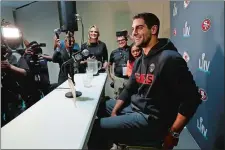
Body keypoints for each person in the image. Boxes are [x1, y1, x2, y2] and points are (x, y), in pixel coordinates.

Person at [88, 12, 202, 150]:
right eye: (133, 29)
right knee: (99, 107)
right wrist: (115, 111)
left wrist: (173, 133)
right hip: (135, 108)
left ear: (153, 30)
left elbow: (192, 98)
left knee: (95, 129)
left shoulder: (169, 59)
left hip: (151, 119)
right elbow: (129, 88)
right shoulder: (141, 59)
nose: (134, 33)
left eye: (139, 28)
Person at [108, 30, 130, 98]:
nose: (120, 42)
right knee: (118, 97)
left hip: (129, 79)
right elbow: (109, 64)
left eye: (122, 40)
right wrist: (111, 75)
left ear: (126, 39)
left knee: (130, 96)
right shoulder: (114, 52)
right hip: (118, 79)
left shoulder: (132, 50)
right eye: (119, 40)